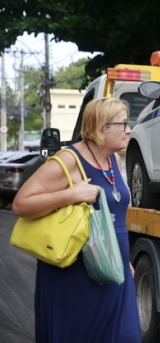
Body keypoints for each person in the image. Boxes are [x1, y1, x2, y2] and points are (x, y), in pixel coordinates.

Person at [12, 97, 141, 343]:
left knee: (125, 336)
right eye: (123, 124)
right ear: (103, 128)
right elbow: (21, 204)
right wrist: (72, 194)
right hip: (75, 275)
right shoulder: (68, 160)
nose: (129, 130)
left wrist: (124, 259)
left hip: (113, 269)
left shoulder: (113, 159)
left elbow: (114, 216)